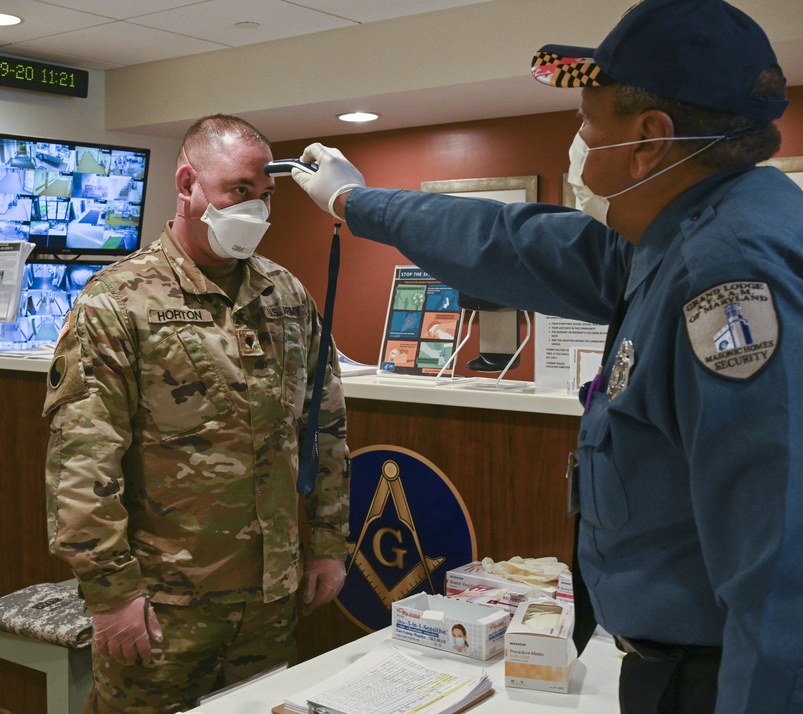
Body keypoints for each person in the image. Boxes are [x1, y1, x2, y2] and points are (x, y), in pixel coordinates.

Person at [286, 1, 802, 712]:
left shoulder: (728, 277)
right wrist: (357, 203)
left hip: (718, 681)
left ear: (650, 137)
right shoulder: (684, 234)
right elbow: (513, 241)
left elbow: (780, 573)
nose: (580, 142)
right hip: (679, 666)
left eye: (590, 123)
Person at [43, 114, 350, 714]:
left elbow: (327, 429)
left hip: (269, 598)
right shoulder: (117, 300)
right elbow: (82, 459)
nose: (256, 211)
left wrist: (329, 544)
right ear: (188, 185)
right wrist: (110, 594)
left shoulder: (285, 295)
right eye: (239, 191)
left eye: (266, 197)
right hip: (165, 602)